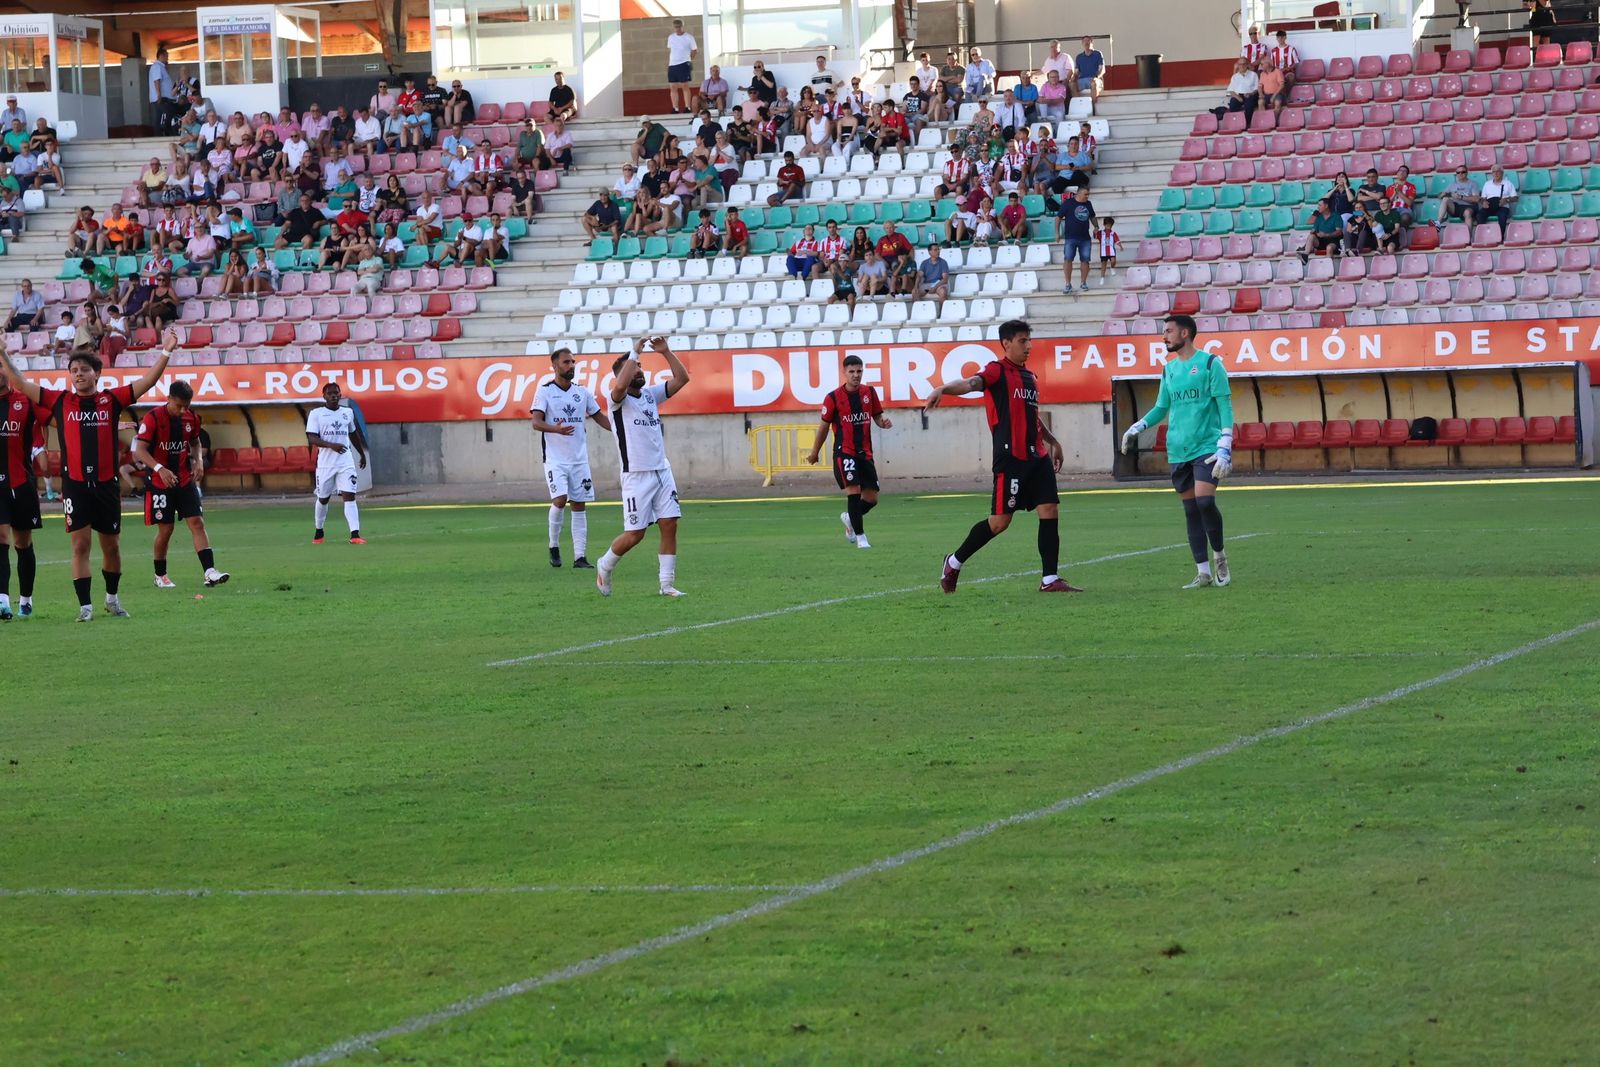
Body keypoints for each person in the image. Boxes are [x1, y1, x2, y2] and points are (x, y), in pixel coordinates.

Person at [2, 330, 177, 620]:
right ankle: (85, 607)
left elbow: (148, 382)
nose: (78, 374)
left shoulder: (112, 400)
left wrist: (167, 351)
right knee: (80, 544)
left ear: (97, 373)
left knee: (112, 546)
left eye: (84, 370)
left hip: (107, 486)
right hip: (76, 487)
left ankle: (112, 599)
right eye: (73, 371)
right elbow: (20, 382)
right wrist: (2, 353)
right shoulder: (60, 401)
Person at [926, 319, 1077, 595]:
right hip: (1011, 458)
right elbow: (971, 383)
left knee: (1050, 510)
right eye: (1022, 341)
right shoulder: (996, 371)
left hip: (1037, 456)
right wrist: (944, 389)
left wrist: (1052, 441)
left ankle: (1049, 579)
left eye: (1029, 340)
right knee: (999, 522)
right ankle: (954, 562)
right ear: (1006, 343)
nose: (1028, 345)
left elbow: (1031, 417)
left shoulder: (1030, 377)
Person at [1120, 314, 1234, 589]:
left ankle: (1219, 557)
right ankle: (1203, 572)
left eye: (1169, 331)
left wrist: (1225, 445)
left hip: (1207, 446)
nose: (1164, 336)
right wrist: (1138, 426)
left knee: (1205, 502)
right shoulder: (1169, 370)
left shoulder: (1210, 363)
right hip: (1178, 449)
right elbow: (1162, 407)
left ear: (1185, 333)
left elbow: (1224, 405)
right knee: (1191, 510)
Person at [595, 337, 690, 598]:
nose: (639, 370)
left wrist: (666, 352)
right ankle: (605, 565)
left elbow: (682, 380)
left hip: (662, 470)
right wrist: (634, 352)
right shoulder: (616, 400)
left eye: (639, 366)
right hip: (636, 476)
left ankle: (666, 585)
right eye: (634, 367)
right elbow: (620, 385)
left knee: (669, 523)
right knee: (635, 534)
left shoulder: (649, 395)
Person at [130, 379, 228, 590]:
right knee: (166, 530)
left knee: (197, 523)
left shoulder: (191, 418)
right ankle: (160, 575)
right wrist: (159, 469)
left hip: (184, 479)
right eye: (179, 405)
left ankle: (210, 572)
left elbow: (195, 441)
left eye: (187, 405)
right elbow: (140, 450)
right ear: (169, 399)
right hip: (159, 481)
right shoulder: (153, 417)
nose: (183, 410)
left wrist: (198, 461)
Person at [531, 346, 612, 569]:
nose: (571, 366)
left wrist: (621, 430)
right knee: (560, 499)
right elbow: (536, 422)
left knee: (579, 504)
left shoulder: (582, 392)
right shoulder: (545, 391)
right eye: (566, 362)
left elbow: (600, 417)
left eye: (573, 362)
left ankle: (580, 557)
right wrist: (555, 429)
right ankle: (554, 546)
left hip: (579, 460)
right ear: (555, 365)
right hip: (556, 459)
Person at [805, 354, 892, 549]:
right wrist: (814, 452)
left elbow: (877, 416)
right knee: (853, 492)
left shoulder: (870, 392)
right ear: (844, 373)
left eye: (859, 371)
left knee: (871, 499)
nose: (856, 375)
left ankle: (849, 518)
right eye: (851, 371)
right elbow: (823, 427)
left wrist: (883, 422)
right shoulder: (833, 397)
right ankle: (861, 538)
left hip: (865, 452)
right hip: (844, 452)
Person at [0, 370, 46, 617]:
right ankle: (2, 601)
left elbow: (54, 418)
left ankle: (26, 600)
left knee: (23, 543)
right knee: (1, 538)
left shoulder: (25, 401)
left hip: (21, 483)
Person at [305, 381, 369, 545]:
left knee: (349, 496)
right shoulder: (316, 414)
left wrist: (361, 454)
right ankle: (319, 531)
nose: (334, 396)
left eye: (336, 393)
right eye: (330, 393)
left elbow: (353, 434)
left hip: (345, 462)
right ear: (324, 396)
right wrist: (331, 445)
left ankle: (354, 534)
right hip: (326, 464)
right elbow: (312, 438)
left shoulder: (347, 412)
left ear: (340, 395)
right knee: (323, 498)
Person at [1057, 186, 1096, 293]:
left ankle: (1083, 282)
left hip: (1085, 237)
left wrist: (1096, 227)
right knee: (1068, 259)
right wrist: (1057, 233)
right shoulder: (1068, 203)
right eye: (1085, 194)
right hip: (1070, 237)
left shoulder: (1088, 204)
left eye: (1088, 194)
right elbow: (1058, 217)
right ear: (1078, 193)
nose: (1087, 196)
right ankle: (1068, 283)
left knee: (1085, 260)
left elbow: (1092, 216)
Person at [666, 18, 699, 115]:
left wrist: (689, 60)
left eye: (679, 27)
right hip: (672, 64)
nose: (677, 29)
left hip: (684, 63)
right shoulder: (671, 37)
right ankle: (675, 108)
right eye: (675, 27)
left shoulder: (689, 37)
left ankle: (687, 106)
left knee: (685, 85)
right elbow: (671, 50)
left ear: (682, 26)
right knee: (673, 87)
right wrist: (670, 63)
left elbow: (695, 50)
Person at [1214, 59, 1259, 124]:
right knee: (1233, 104)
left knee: (1249, 105)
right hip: (1238, 95)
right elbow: (1231, 90)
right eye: (1240, 64)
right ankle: (1236, 122)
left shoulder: (1253, 75)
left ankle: (1247, 123)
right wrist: (1238, 97)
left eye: (1244, 64)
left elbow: (1256, 88)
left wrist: (1251, 94)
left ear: (1247, 65)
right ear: (1238, 65)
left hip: (1250, 95)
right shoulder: (1235, 76)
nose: (1242, 66)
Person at [1481, 164, 1518, 235]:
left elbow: (1515, 198)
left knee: (1502, 216)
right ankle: (1483, 236)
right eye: (1494, 172)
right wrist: (1483, 202)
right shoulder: (1487, 184)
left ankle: (1500, 237)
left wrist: (1506, 200)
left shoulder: (1508, 183)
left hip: (1502, 206)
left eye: (1498, 171)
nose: (1496, 173)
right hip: (1489, 206)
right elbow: (1483, 198)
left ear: (1502, 173)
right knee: (1479, 215)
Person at [914, 241, 953, 308]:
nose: (938, 251)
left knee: (943, 292)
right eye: (935, 250)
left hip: (939, 284)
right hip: (927, 284)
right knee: (914, 292)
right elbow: (919, 276)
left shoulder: (943, 262)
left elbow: (945, 279)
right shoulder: (924, 263)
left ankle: (942, 315)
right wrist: (916, 286)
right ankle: (919, 313)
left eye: (938, 249)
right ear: (929, 252)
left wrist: (934, 288)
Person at [1075, 36, 1106, 112]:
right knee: (1071, 85)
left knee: (1093, 83)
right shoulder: (1079, 57)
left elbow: (1103, 69)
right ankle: (1079, 107)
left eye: (1088, 41)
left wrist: (1097, 77)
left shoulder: (1098, 53)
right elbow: (1077, 72)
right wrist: (1073, 79)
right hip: (1082, 80)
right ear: (1082, 44)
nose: (1086, 43)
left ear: (1092, 43)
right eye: (1084, 41)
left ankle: (1093, 108)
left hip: (1095, 79)